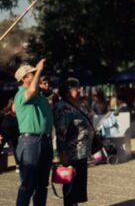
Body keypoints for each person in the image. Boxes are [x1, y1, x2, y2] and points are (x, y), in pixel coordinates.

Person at [14, 59, 54, 206]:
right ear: (24, 79)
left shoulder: (39, 96)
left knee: (42, 186)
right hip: (30, 142)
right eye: (32, 74)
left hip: (45, 141)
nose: (37, 75)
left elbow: (36, 91)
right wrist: (39, 69)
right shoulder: (21, 95)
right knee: (28, 186)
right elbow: (31, 91)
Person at [54, 78, 94, 206]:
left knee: (78, 188)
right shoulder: (62, 107)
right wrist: (62, 153)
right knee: (71, 186)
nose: (79, 91)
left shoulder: (77, 105)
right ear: (67, 92)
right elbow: (60, 132)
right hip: (71, 153)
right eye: (76, 89)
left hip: (81, 152)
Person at [0, 99, 20, 173]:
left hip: (15, 135)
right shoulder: (3, 114)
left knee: (17, 148)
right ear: (11, 105)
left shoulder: (19, 115)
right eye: (15, 105)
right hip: (3, 134)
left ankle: (18, 165)